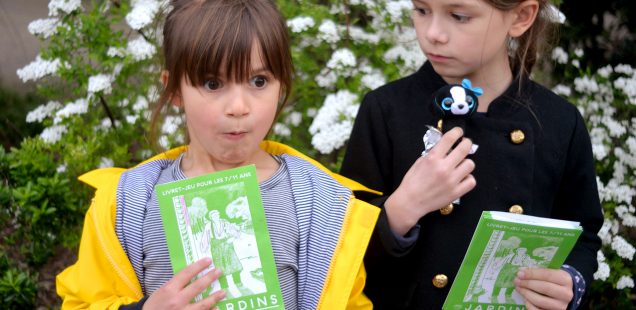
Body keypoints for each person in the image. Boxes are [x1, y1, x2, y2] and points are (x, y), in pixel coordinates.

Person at [56, 0, 380, 309]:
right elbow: (83, 302)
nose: (238, 107)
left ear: (282, 83)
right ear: (174, 91)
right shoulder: (127, 204)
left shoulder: (319, 202)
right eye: (213, 83)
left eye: (259, 80)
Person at [340, 0, 603, 309]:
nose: (433, 33)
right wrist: (401, 210)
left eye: (459, 16)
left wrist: (570, 283)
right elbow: (343, 247)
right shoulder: (386, 109)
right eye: (422, 10)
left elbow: (582, 234)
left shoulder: (560, 121)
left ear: (521, 16)